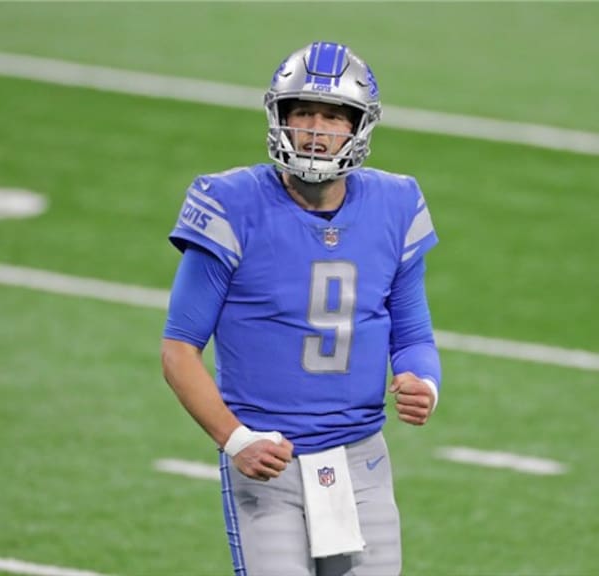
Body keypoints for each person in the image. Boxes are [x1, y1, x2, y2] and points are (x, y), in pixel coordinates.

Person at [161, 40, 441, 576]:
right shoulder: (230, 203)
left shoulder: (396, 203)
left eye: (332, 116)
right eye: (303, 114)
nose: (315, 129)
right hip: (270, 459)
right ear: (279, 120)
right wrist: (234, 437)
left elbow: (413, 336)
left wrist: (422, 382)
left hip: (362, 459)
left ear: (358, 126)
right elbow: (178, 349)